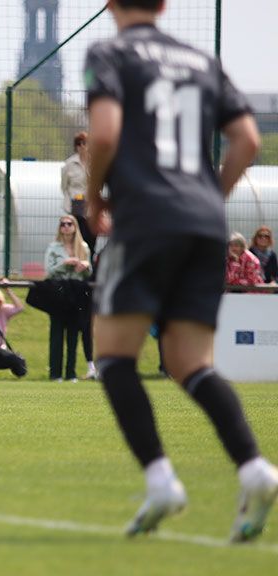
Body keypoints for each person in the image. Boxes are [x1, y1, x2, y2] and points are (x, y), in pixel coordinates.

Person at [85, 0, 277, 540]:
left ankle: (161, 480)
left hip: (145, 217)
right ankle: (254, 468)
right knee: (191, 363)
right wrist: (211, 196)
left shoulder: (110, 53)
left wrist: (94, 196)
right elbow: (248, 140)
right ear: (164, 4)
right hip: (203, 223)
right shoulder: (201, 59)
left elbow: (103, 135)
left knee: (115, 355)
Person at [44, 214, 93, 382]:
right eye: (63, 224)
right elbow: (49, 271)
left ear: (75, 227)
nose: (66, 227)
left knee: (73, 334)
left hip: (76, 292)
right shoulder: (53, 247)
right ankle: (55, 373)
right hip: (58, 291)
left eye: (69, 224)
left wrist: (84, 265)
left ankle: (70, 373)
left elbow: (89, 272)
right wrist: (64, 263)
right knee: (56, 334)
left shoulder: (83, 247)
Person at [61, 131, 97, 258]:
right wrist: (68, 204)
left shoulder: (95, 163)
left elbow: (99, 184)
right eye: (81, 143)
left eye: (87, 143)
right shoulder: (69, 164)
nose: (84, 146)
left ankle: (90, 267)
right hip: (76, 204)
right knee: (78, 237)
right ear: (77, 146)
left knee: (91, 237)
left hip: (91, 205)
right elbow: (64, 186)